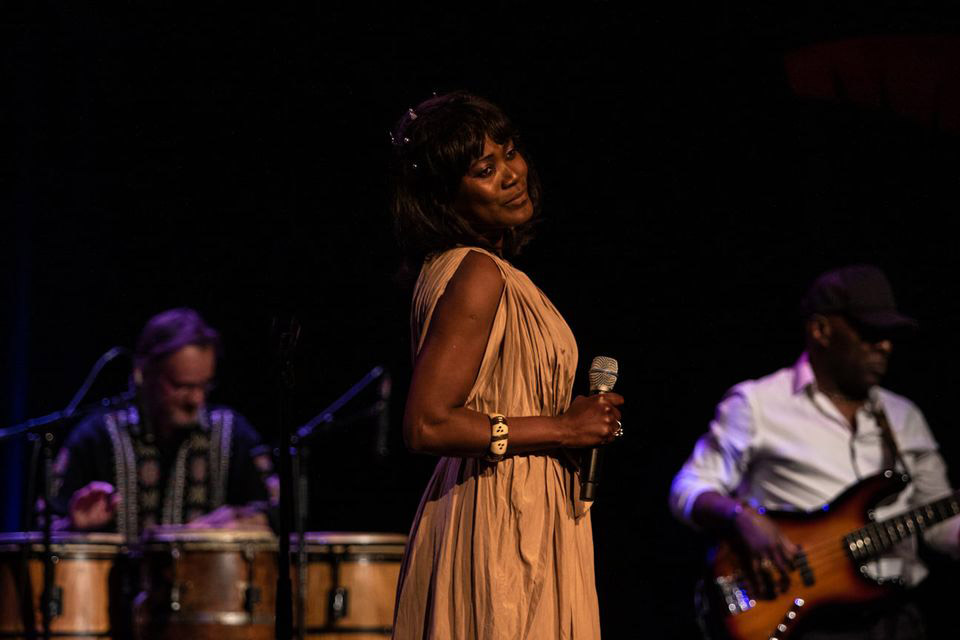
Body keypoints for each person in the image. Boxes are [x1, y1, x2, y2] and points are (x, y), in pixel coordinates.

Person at [388, 91, 624, 639]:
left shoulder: (481, 269)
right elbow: (427, 423)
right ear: (445, 196)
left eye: (510, 153)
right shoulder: (476, 273)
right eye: (483, 169)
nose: (511, 175)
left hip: (519, 504)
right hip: (500, 517)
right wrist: (564, 428)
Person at [669, 265, 960, 639]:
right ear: (821, 330)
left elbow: (939, 522)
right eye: (869, 332)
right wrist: (741, 517)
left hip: (899, 619)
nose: (884, 345)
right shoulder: (758, 404)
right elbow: (687, 487)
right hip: (809, 624)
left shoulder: (903, 416)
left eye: (889, 335)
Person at [50, 308, 276, 536]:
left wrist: (248, 519)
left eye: (204, 385)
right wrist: (72, 525)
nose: (196, 399)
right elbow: (45, 528)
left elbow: (278, 512)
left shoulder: (234, 434)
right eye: (181, 386)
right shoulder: (95, 437)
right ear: (143, 373)